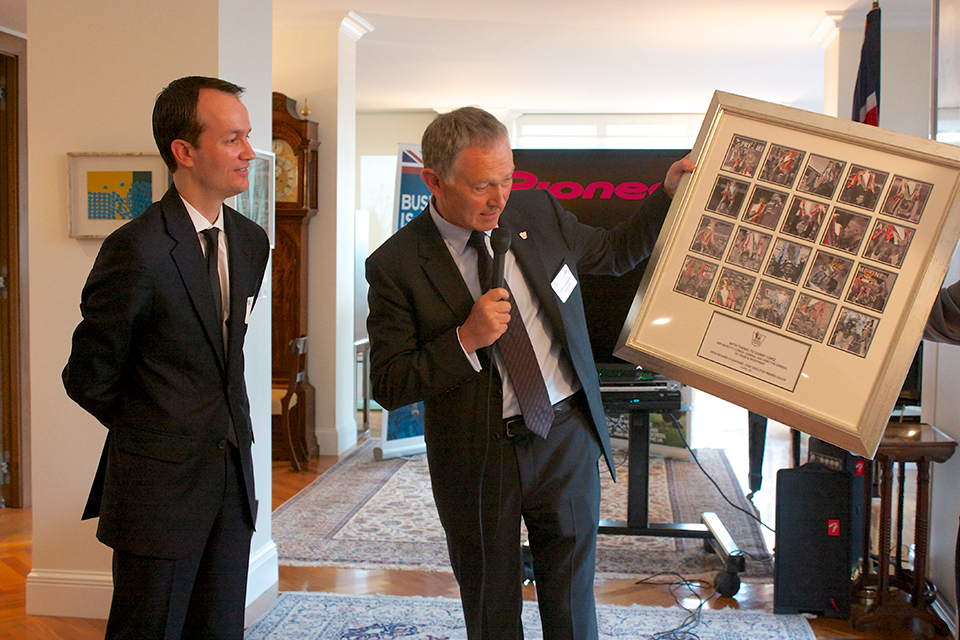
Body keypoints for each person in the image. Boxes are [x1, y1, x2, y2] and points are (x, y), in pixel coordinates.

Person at [365, 106, 693, 640]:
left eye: (507, 178)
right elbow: (390, 383)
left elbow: (612, 254)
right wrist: (464, 340)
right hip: (478, 456)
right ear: (433, 180)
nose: (500, 198)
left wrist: (666, 196)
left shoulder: (536, 211)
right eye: (481, 186)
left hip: (564, 438)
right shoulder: (397, 264)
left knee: (571, 607)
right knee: (493, 612)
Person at [62, 76, 270, 639]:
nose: (249, 152)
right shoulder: (136, 248)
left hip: (232, 484)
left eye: (247, 137)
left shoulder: (252, 241)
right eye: (232, 140)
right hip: (156, 494)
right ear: (184, 151)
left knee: (221, 628)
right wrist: (162, 431)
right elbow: (86, 376)